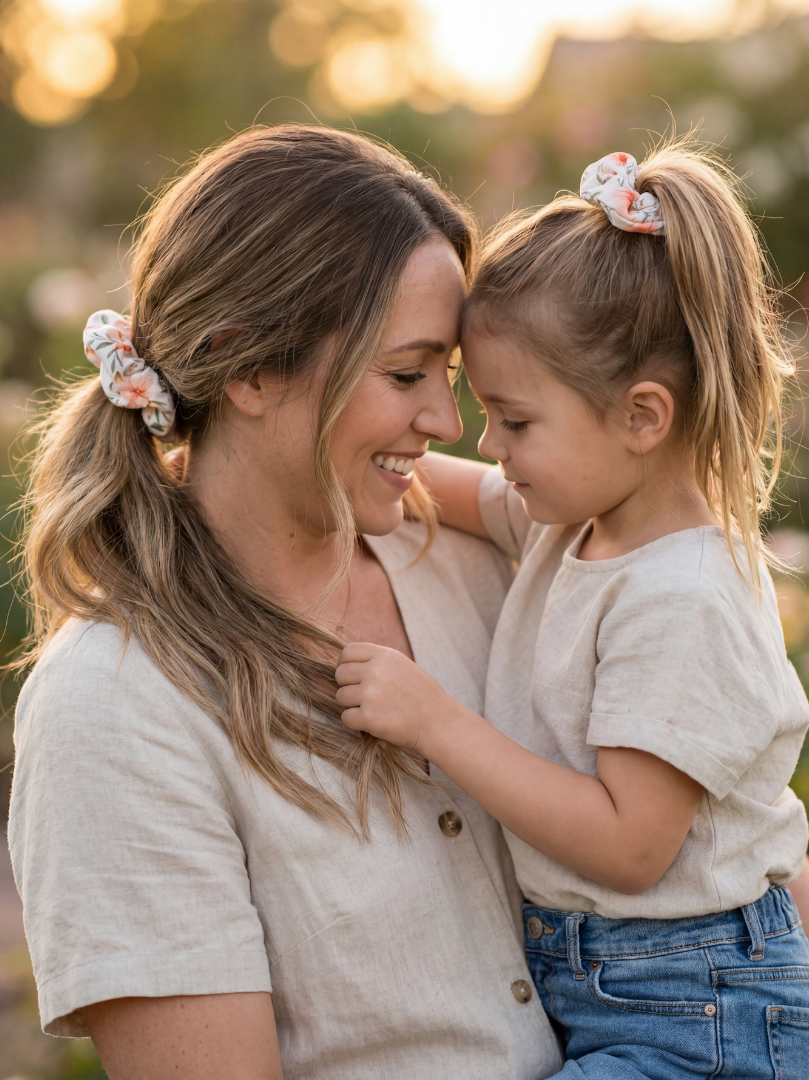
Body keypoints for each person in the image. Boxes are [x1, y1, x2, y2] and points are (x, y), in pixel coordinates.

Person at [8, 125, 564, 1080]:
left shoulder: (481, 564)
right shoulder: (113, 708)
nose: (444, 419)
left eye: (451, 375)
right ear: (249, 367)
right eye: (405, 374)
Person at [335, 143, 809, 1078]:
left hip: (698, 1005)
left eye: (515, 420)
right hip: (603, 979)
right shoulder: (574, 520)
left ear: (642, 417)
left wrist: (436, 722)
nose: (488, 442)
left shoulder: (680, 599)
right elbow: (441, 483)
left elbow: (631, 845)